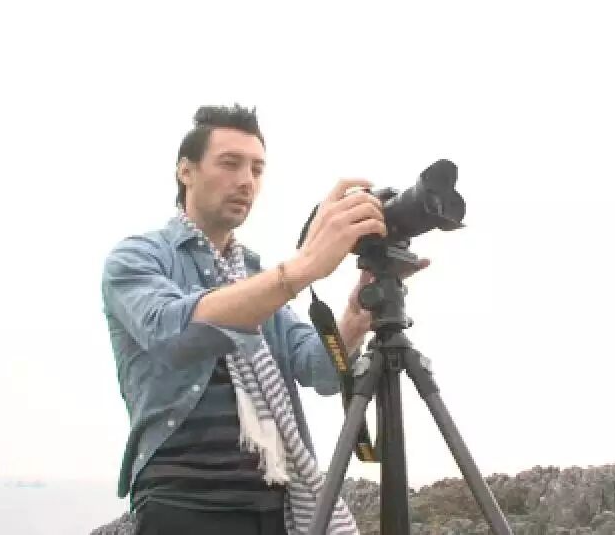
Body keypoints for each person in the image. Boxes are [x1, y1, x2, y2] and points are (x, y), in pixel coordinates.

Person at [100, 104, 428, 535]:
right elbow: (171, 334)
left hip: (274, 504)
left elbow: (318, 368)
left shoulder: (254, 275)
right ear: (185, 171)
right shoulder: (138, 258)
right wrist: (301, 268)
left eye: (257, 169)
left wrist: (356, 316)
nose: (246, 181)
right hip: (183, 501)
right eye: (230, 163)